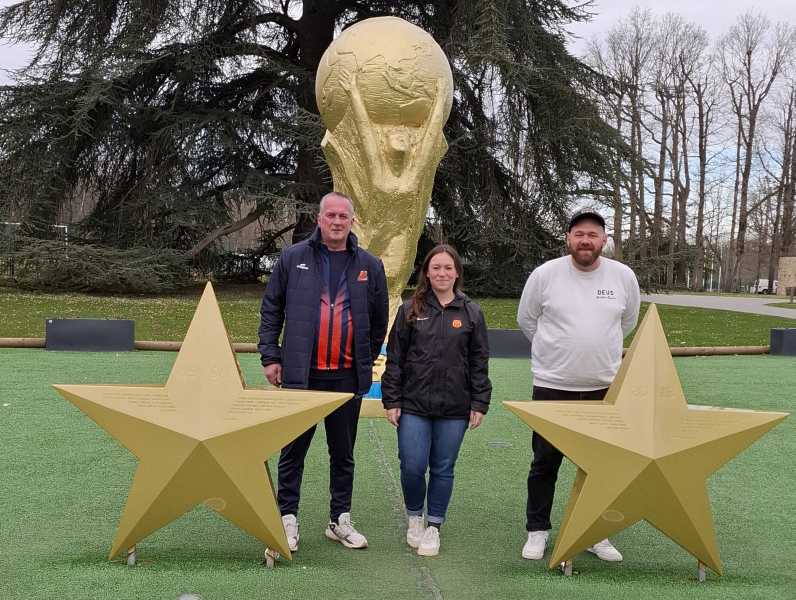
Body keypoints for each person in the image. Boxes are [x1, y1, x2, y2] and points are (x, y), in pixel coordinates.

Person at [258, 192, 389, 552]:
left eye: (343, 216)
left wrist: (363, 356)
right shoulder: (292, 258)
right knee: (293, 450)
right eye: (330, 215)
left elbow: (378, 321)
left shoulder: (369, 265)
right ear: (319, 219)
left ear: (351, 222)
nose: (336, 221)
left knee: (343, 453)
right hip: (303, 376)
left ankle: (339, 519)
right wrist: (271, 356)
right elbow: (271, 310)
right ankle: (287, 519)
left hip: (346, 378)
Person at [517, 208, 640, 563]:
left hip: (604, 388)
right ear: (568, 239)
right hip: (553, 385)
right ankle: (537, 531)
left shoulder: (623, 276)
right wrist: (555, 351)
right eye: (578, 234)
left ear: (604, 240)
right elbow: (527, 320)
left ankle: (595, 533)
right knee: (545, 462)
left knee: (602, 466)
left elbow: (626, 321)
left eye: (593, 234)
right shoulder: (544, 275)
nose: (585, 240)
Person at [381, 245, 492, 557]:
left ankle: (434, 526)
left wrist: (479, 402)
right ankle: (415, 517)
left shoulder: (471, 312)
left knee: (443, 467)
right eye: (436, 268)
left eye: (448, 268)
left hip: (455, 407)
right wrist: (392, 400)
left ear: (457, 273)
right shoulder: (410, 310)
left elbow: (479, 361)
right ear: (426, 273)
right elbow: (395, 360)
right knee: (412, 464)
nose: (442, 273)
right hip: (414, 404)